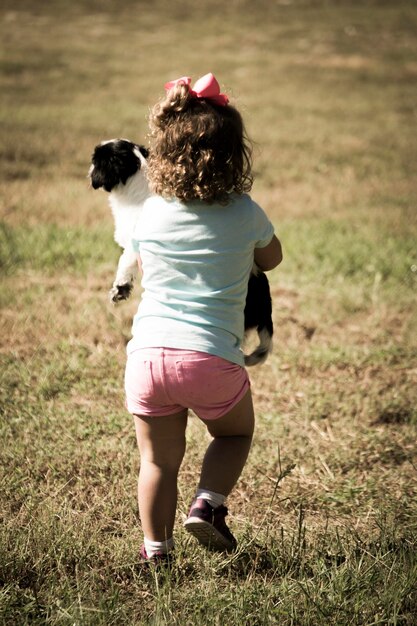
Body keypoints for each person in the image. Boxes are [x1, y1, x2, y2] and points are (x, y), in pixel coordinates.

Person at [124, 73, 282, 562]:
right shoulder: (244, 212)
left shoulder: (148, 214)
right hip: (210, 358)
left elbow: (147, 265)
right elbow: (271, 258)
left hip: (148, 358)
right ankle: (209, 504)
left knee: (156, 461)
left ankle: (157, 553)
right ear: (235, 156)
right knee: (234, 433)